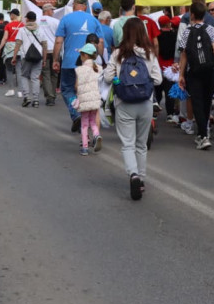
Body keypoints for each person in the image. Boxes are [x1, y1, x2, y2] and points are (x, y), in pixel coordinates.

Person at [104, 18, 163, 199]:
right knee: (141, 144)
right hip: (145, 103)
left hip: (124, 103)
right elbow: (159, 79)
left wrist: (118, 80)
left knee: (127, 144)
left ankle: (133, 174)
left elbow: (107, 78)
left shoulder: (118, 53)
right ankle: (142, 178)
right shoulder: (149, 53)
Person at [53, 0, 103, 134]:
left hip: (69, 62)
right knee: (87, 91)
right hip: (89, 63)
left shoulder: (66, 19)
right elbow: (101, 42)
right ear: (86, 7)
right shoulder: (93, 20)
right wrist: (98, 58)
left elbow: (58, 41)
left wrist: (55, 60)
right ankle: (90, 123)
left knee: (68, 89)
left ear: (74, 5)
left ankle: (76, 114)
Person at [177, 0, 214, 150]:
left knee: (197, 102)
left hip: (194, 72)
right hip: (209, 71)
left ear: (192, 14)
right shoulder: (211, 29)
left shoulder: (187, 31)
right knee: (207, 102)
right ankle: (204, 131)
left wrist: (181, 74)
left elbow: (184, 54)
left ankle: (202, 136)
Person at [13, 11, 49, 107]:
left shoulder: (22, 30)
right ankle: (36, 100)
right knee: (35, 77)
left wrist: (14, 57)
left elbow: (18, 44)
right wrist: (44, 59)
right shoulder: (40, 30)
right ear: (35, 19)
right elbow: (45, 45)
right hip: (38, 57)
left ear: (27, 19)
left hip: (26, 57)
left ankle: (27, 97)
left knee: (24, 75)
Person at [73, 43, 103, 155]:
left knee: (84, 124)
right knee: (93, 122)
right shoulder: (99, 68)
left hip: (85, 100)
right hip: (95, 99)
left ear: (85, 55)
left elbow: (76, 86)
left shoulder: (79, 69)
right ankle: (96, 135)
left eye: (81, 54)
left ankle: (85, 147)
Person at [156, 14, 179, 124]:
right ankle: (170, 113)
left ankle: (154, 112)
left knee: (158, 90)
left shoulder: (157, 36)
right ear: (168, 23)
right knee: (169, 92)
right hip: (171, 67)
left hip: (159, 65)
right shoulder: (174, 35)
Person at [37, 4, 60, 105]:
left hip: (43, 51)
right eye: (52, 10)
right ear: (46, 10)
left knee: (45, 74)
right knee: (54, 73)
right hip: (55, 50)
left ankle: (49, 96)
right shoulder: (56, 22)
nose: (53, 12)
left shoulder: (37, 21)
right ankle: (53, 95)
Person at [0, 9, 24, 97]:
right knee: (19, 70)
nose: (10, 16)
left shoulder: (8, 25)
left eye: (10, 14)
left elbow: (5, 38)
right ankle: (20, 91)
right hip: (20, 48)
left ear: (13, 15)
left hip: (9, 49)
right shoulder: (22, 25)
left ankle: (11, 89)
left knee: (9, 69)